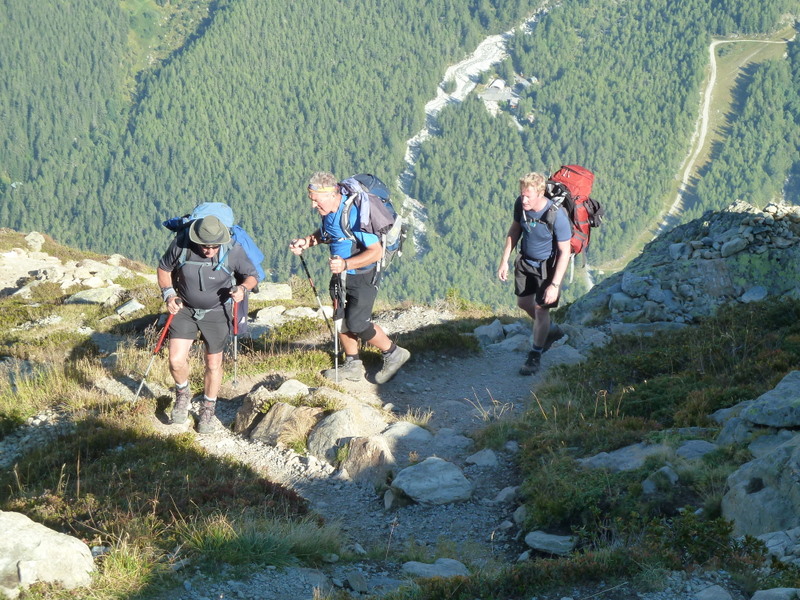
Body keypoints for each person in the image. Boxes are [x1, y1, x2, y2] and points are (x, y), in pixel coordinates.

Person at [289, 171, 410, 383]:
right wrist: (307, 241)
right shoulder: (330, 212)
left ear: (331, 194)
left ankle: (394, 353)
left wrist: (346, 264)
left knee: (357, 323)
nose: (313, 205)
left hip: (362, 275)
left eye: (316, 200)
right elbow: (330, 233)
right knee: (340, 318)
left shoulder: (355, 214)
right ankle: (352, 364)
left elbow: (376, 251)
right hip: (340, 273)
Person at [157, 215, 259, 433]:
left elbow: (252, 276)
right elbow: (164, 268)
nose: (210, 250)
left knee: (213, 364)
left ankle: (208, 408)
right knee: (175, 361)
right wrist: (168, 295)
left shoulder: (233, 249)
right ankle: (183, 394)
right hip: (184, 309)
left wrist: (242, 289)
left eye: (214, 246)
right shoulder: (182, 244)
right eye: (206, 246)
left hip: (217, 313)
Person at [498, 172, 571, 375]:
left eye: (528, 195)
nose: (524, 199)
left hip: (546, 267)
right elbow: (514, 231)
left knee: (540, 309)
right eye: (522, 194)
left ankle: (535, 355)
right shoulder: (521, 207)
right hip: (524, 262)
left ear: (541, 193)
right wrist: (504, 260)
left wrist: (554, 285)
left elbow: (565, 252)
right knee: (523, 303)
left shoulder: (557, 216)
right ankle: (550, 330)